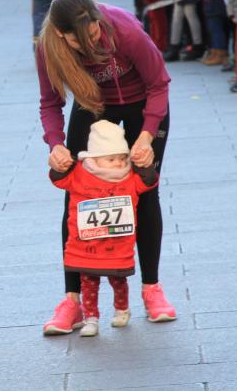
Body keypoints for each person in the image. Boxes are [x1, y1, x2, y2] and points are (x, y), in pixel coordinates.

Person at [36, 0, 175, 336]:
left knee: (145, 190)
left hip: (143, 103)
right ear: (61, 35)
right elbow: (50, 103)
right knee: (78, 195)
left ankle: (151, 289)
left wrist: (146, 135)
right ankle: (73, 301)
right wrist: (55, 144)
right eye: (82, 40)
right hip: (94, 104)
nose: (93, 41)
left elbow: (159, 83)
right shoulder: (48, 48)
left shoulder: (125, 31)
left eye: (96, 32)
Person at [48, 120, 159, 337]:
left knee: (119, 282)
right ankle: (91, 318)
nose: (118, 163)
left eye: (121, 158)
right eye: (111, 159)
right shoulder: (79, 174)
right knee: (89, 285)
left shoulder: (130, 177)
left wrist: (142, 166)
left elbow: (149, 183)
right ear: (94, 159)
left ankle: (122, 309)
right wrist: (60, 165)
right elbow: (58, 180)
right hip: (86, 249)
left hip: (117, 249)